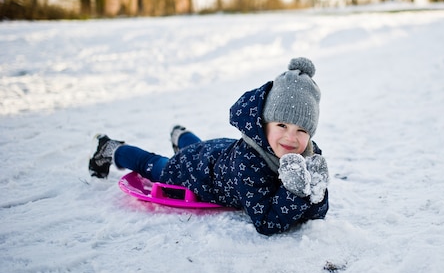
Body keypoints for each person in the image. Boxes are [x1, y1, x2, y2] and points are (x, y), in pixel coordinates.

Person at [88, 57, 329, 236]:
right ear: (263, 124)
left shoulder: (308, 156)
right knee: (158, 166)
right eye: (282, 125)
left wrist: (316, 192)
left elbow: (315, 214)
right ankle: (109, 148)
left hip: (216, 153)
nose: (291, 137)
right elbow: (266, 222)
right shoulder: (250, 164)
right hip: (196, 172)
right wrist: (294, 191)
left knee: (199, 149)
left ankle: (181, 136)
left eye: (302, 130)